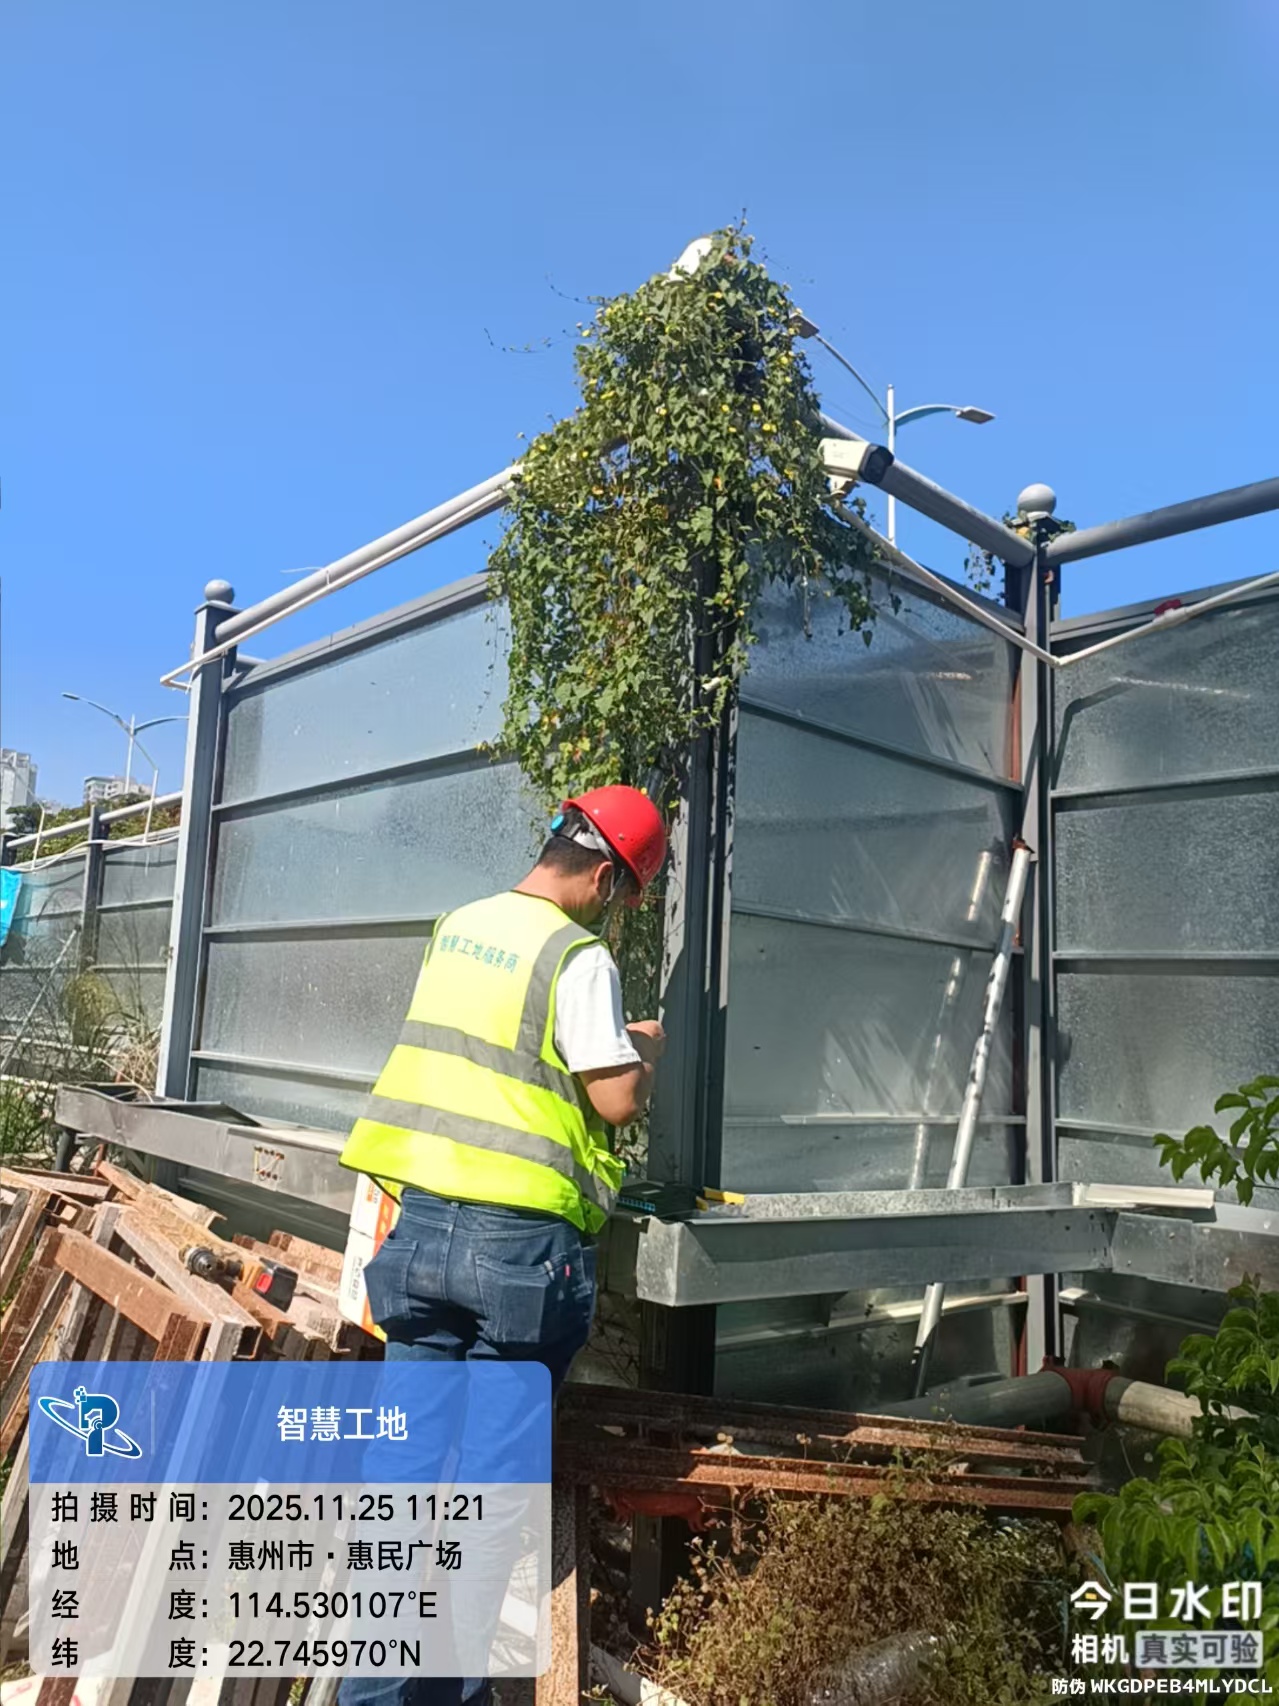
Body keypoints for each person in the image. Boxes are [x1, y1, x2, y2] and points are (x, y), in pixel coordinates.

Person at [336, 785, 668, 1706]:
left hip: (421, 1232)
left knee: (401, 1475)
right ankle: (445, 1694)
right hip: (517, 1252)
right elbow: (614, 1100)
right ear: (605, 878)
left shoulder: (459, 925)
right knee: (485, 1494)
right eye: (622, 895)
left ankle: (367, 1697)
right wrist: (643, 1047)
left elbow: (492, 1062)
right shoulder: (577, 955)